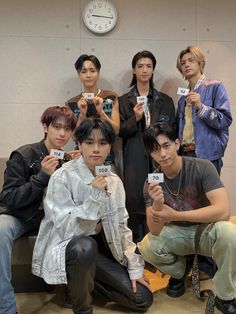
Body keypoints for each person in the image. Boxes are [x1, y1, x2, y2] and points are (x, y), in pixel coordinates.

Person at [32, 118, 153, 314]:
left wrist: (134, 267)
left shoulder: (114, 181)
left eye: (103, 143)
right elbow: (65, 229)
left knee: (142, 299)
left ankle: (82, 282)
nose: (96, 149)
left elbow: (122, 227)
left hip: (103, 251)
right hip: (72, 247)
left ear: (109, 147)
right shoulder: (62, 177)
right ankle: (82, 307)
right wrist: (94, 197)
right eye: (89, 142)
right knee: (84, 246)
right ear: (79, 145)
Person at [137, 122, 236, 314]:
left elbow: (223, 210)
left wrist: (175, 215)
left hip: (206, 230)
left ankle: (225, 295)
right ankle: (181, 272)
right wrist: (157, 203)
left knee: (231, 233)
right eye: (155, 150)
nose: (163, 154)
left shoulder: (202, 167)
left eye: (166, 146)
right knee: (147, 246)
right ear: (151, 153)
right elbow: (155, 231)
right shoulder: (151, 182)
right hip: (177, 235)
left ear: (177, 143)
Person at [0, 106, 77, 314]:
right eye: (57, 127)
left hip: (50, 217)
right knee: (0, 230)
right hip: (20, 215)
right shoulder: (24, 154)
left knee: (81, 223)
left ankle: (74, 288)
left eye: (68, 129)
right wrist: (42, 176)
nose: (62, 134)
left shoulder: (67, 160)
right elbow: (9, 197)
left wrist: (79, 168)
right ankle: (6, 307)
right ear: (45, 127)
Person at [118, 50, 176, 242]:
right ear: (134, 70)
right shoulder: (123, 101)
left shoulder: (165, 100)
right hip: (134, 155)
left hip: (161, 156)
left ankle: (161, 246)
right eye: (140, 66)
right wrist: (135, 118)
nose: (144, 70)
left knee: (161, 197)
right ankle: (136, 249)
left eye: (148, 66)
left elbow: (172, 129)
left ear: (153, 70)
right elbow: (120, 131)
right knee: (134, 200)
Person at [176, 45, 232, 175]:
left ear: (200, 63)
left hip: (209, 155)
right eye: (183, 63)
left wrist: (201, 107)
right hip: (185, 155)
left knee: (210, 195)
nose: (187, 65)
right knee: (189, 195)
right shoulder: (182, 99)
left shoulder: (215, 86)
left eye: (191, 60)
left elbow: (225, 119)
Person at [65, 54, 120, 168]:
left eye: (92, 70)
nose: (88, 75)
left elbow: (116, 130)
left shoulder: (110, 97)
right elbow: (74, 137)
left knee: (109, 185)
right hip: (81, 155)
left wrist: (102, 113)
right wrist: (82, 115)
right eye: (84, 71)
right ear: (79, 75)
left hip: (106, 154)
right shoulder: (72, 103)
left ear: (98, 73)